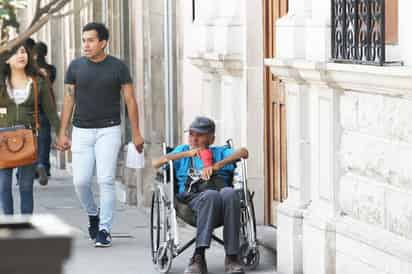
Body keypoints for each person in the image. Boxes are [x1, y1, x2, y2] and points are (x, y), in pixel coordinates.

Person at [57, 22, 144, 248]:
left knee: (106, 180)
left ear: (103, 43)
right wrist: (62, 132)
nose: (86, 44)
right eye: (84, 40)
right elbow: (69, 99)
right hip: (81, 131)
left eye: (91, 40)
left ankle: (104, 229)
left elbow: (130, 101)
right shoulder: (75, 67)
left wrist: (136, 133)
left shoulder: (118, 67)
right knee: (81, 182)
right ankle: (93, 214)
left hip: (109, 129)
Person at [152, 116, 248, 274]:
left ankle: (232, 258)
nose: (194, 138)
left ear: (211, 138)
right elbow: (156, 163)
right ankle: (198, 257)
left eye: (200, 135)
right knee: (211, 195)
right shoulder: (183, 151)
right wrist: (186, 154)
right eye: (191, 134)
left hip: (222, 199)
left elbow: (244, 152)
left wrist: (217, 165)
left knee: (230, 193)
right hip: (191, 200)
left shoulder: (220, 152)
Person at [0, 42, 60, 215]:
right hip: (3, 138)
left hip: (28, 137)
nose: (21, 55)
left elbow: (50, 111)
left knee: (26, 186)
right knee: (3, 185)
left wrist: (61, 134)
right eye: (16, 53)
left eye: (24, 52)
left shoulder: (37, 82)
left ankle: (25, 225)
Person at [33, 41, 57, 185]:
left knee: (32, 141)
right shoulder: (51, 69)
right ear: (46, 53)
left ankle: (34, 167)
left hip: (31, 109)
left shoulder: (30, 70)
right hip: (45, 109)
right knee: (44, 139)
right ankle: (44, 166)